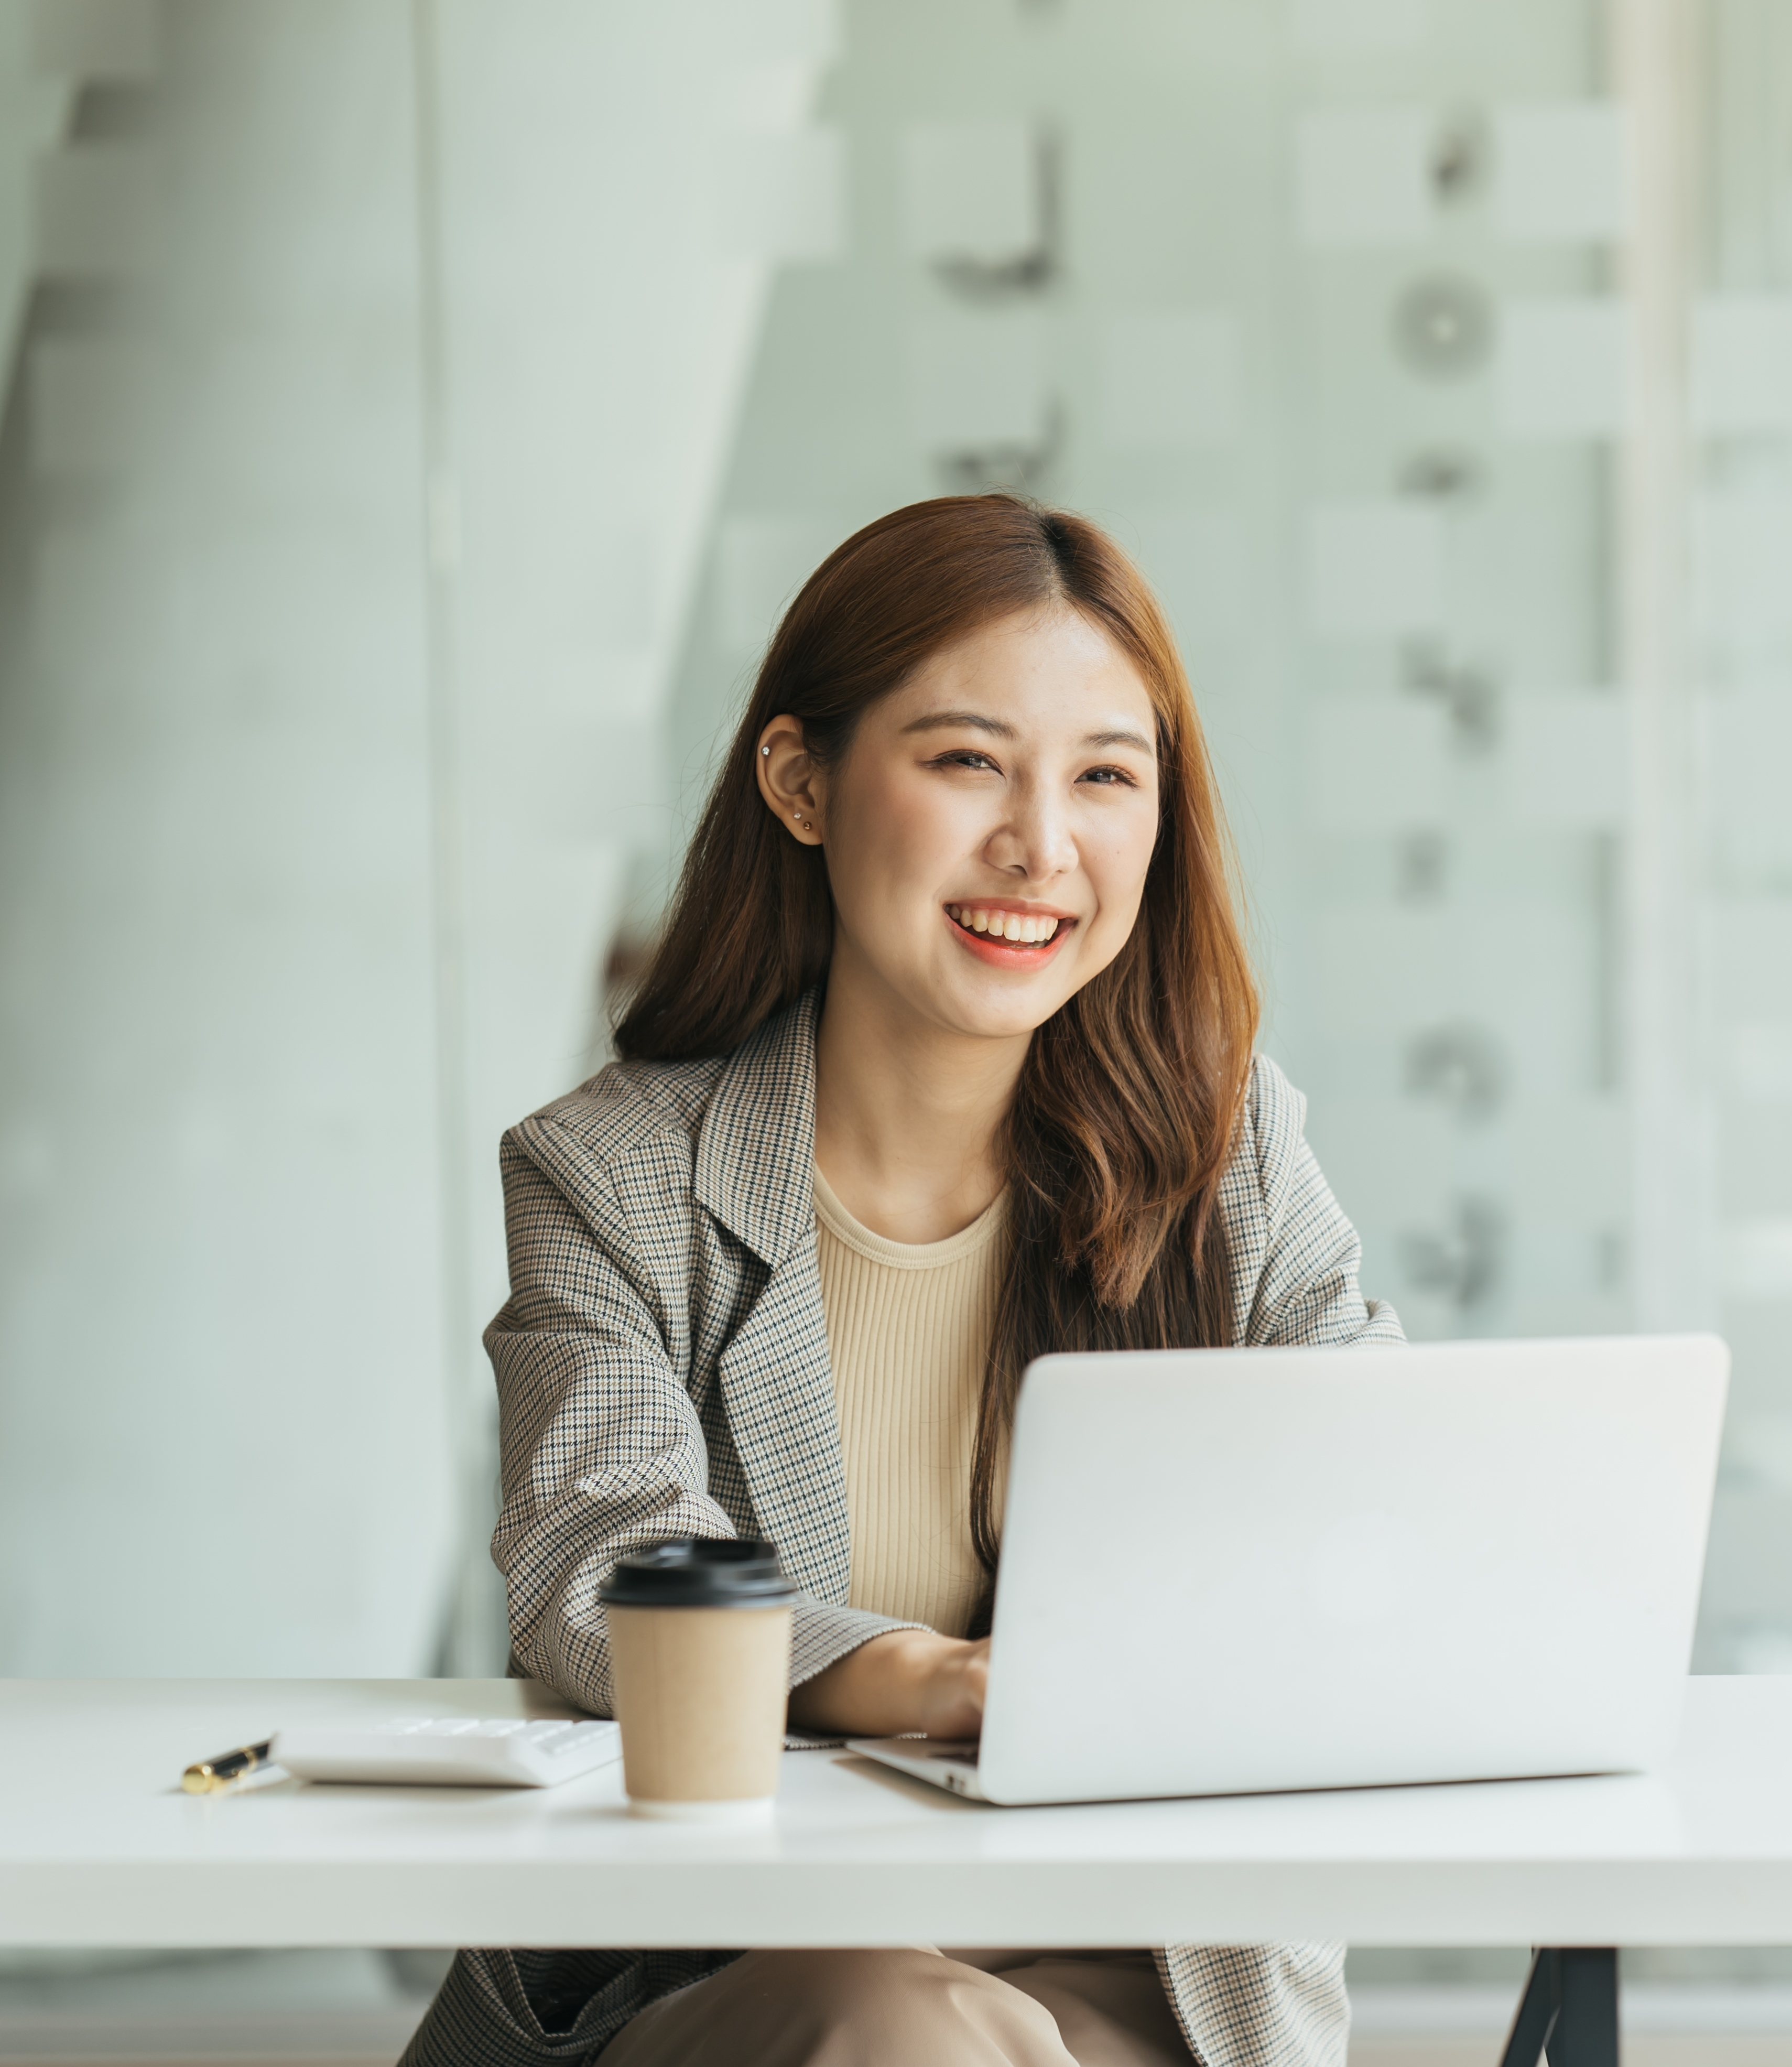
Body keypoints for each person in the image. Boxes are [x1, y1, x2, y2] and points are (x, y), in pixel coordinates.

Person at [401, 495, 1398, 2067]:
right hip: (737, 1972)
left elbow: (1381, 1487)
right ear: (801, 784)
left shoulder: (1231, 1151)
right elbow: (600, 1572)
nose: (1040, 845)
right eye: (964, 762)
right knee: (901, 2030)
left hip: (1135, 1961)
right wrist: (915, 1678)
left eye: (1105, 779)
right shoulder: (611, 1174)